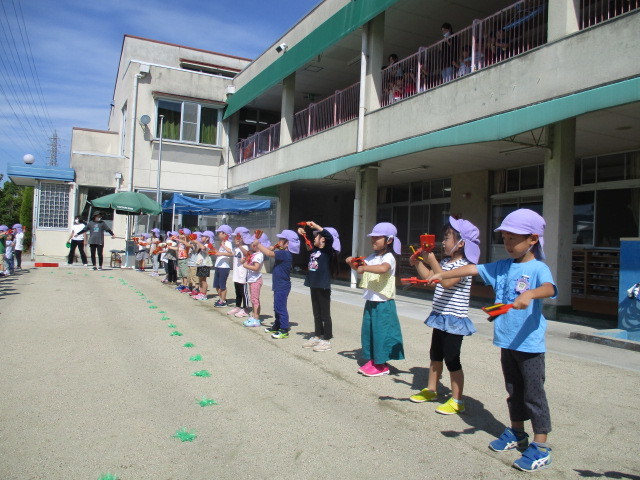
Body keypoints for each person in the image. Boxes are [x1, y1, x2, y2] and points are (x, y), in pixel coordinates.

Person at [429, 209, 556, 472]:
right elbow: (474, 268)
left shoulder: (537, 268)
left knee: (534, 395)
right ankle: (517, 432)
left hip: (529, 346)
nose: (508, 244)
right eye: (506, 239)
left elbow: (550, 289)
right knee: (513, 392)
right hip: (507, 342)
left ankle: (541, 446)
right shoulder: (502, 266)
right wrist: (442, 274)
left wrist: (530, 294)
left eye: (513, 239)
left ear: (533, 239)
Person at [408, 217, 480, 415]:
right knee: (435, 355)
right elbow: (432, 277)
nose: (443, 242)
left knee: (452, 359)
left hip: (455, 319)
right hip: (440, 316)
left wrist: (431, 260)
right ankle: (432, 389)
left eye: (447, 238)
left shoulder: (465, 265)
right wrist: (418, 263)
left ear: (461, 243)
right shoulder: (446, 262)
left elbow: (447, 282)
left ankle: (457, 400)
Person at [346, 222, 404, 377]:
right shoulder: (372, 257)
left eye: (378, 238)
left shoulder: (389, 257)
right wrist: (353, 263)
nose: (373, 241)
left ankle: (381, 365)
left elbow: (382, 269)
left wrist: (364, 267)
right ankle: (374, 359)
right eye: (372, 238)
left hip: (383, 302)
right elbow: (360, 269)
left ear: (389, 240)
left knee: (381, 333)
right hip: (371, 300)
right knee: (370, 332)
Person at [299, 221, 341, 353]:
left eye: (316, 236)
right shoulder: (315, 250)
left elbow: (329, 237)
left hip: (323, 285)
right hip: (314, 284)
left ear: (323, 239)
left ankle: (326, 339)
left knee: (325, 314)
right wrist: (302, 235)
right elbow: (307, 245)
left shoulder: (328, 251)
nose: (314, 238)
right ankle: (318, 335)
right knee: (316, 313)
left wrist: (316, 226)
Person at [254, 230, 300, 339]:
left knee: (280, 307)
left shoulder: (285, 253)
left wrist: (258, 244)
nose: (278, 241)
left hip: (282, 285)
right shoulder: (283, 252)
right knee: (276, 307)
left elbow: (269, 253)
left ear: (287, 243)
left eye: (281, 240)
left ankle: (284, 329)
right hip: (279, 284)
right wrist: (273, 247)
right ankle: (277, 325)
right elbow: (271, 250)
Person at [243, 231, 270, 327]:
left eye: (252, 243)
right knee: (254, 299)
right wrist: (245, 260)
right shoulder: (254, 254)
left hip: (255, 280)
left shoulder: (259, 255)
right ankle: (255, 316)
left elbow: (256, 268)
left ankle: (256, 318)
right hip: (252, 280)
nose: (250, 244)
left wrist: (245, 265)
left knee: (255, 300)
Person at [228, 227, 251, 317]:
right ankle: (238, 306)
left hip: (243, 274)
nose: (235, 239)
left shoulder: (245, 247)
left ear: (242, 238)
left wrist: (239, 245)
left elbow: (247, 254)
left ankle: (246, 308)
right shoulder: (236, 248)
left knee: (243, 292)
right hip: (236, 273)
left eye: (237, 237)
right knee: (237, 291)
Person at [213, 225, 234, 307]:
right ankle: (221, 298)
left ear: (225, 234)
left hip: (224, 267)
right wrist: (215, 251)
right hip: (218, 266)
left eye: (220, 233)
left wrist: (222, 250)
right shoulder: (222, 243)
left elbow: (231, 253)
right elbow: (220, 253)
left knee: (222, 285)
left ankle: (223, 301)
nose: (218, 234)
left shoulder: (228, 243)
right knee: (217, 285)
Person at [191, 231, 214, 300]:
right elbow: (196, 250)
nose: (201, 238)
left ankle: (204, 294)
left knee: (203, 280)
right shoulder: (202, 244)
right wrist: (195, 243)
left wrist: (198, 242)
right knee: (200, 279)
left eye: (203, 236)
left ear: (207, 238)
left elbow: (204, 249)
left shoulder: (209, 245)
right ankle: (201, 292)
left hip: (205, 264)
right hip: (200, 263)